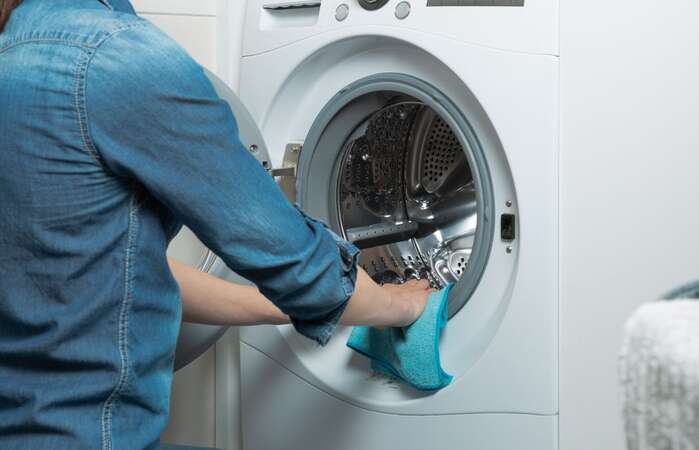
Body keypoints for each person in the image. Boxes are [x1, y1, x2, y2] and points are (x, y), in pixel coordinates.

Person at [0, 0, 433, 448]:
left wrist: (279, 306)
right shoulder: (118, 59)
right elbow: (299, 264)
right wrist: (400, 307)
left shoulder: (15, 51)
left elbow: (101, 271)